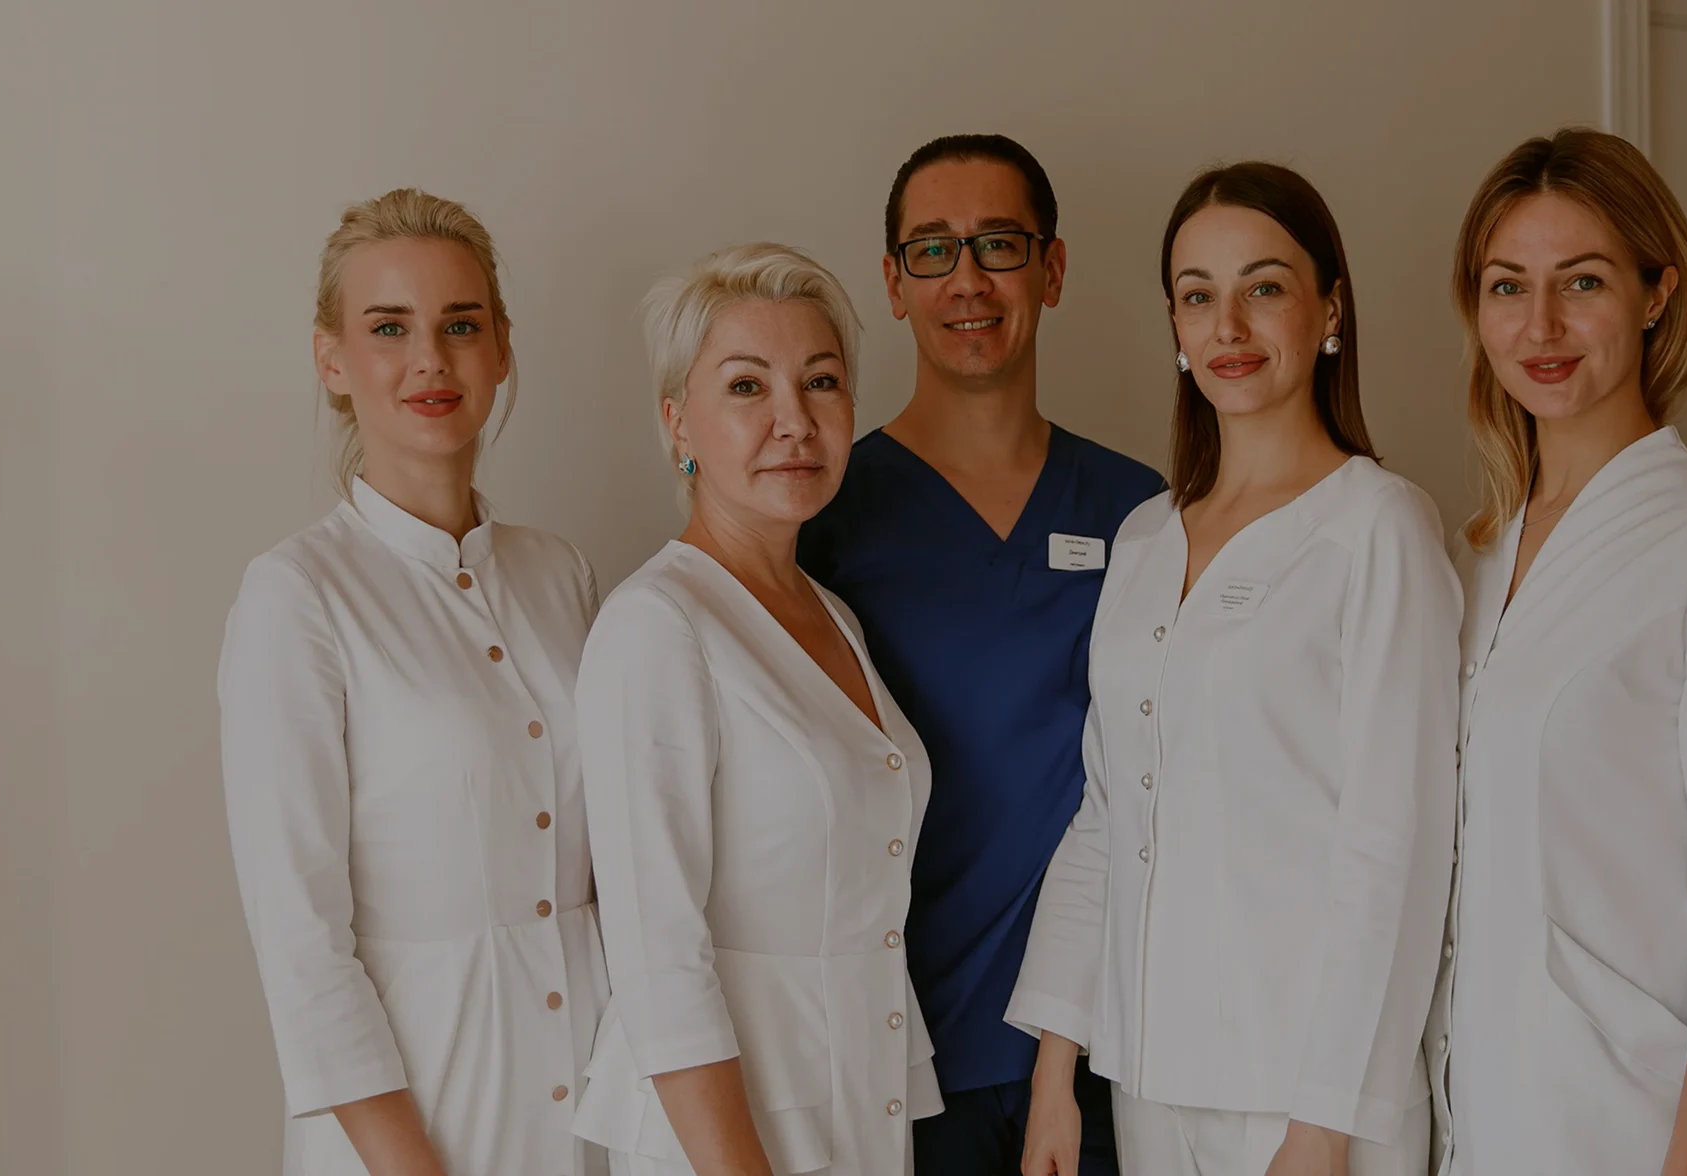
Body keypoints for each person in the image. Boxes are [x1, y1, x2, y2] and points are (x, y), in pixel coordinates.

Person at [1010, 162, 1462, 1176]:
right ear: (1173, 323)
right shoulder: (1142, 539)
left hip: (1308, 1097)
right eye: (1197, 296)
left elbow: (1397, 844)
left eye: (1264, 287)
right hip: (1148, 1077)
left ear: (1329, 306)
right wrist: (1057, 1072)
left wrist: (1323, 1124)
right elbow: (1106, 813)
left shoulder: (1377, 528)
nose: (1229, 327)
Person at [1424, 128, 1687, 1176]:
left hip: (1632, 1124)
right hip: (1474, 1109)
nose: (1541, 325)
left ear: (1657, 293)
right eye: (1508, 285)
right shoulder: (1472, 562)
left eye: (1583, 280)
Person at [218, 189, 610, 1176]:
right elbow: (303, 940)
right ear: (332, 360)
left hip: (594, 1112)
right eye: (389, 327)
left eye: (460, 325)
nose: (430, 360)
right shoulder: (297, 597)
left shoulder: (559, 573)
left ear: (502, 347)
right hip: (415, 1130)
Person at [796, 134, 1162, 1176]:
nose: (966, 279)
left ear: (1050, 270)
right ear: (892, 283)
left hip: (1100, 1036)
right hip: (907, 1044)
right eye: (932, 251)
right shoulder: (827, 516)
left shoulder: (1140, 513)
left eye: (999, 245)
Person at [571, 243, 941, 1176]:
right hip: (729, 1144)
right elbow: (658, 954)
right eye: (747, 387)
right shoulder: (656, 626)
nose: (794, 420)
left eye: (822, 382)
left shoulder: (834, 617)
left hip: (854, 1111)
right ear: (677, 425)